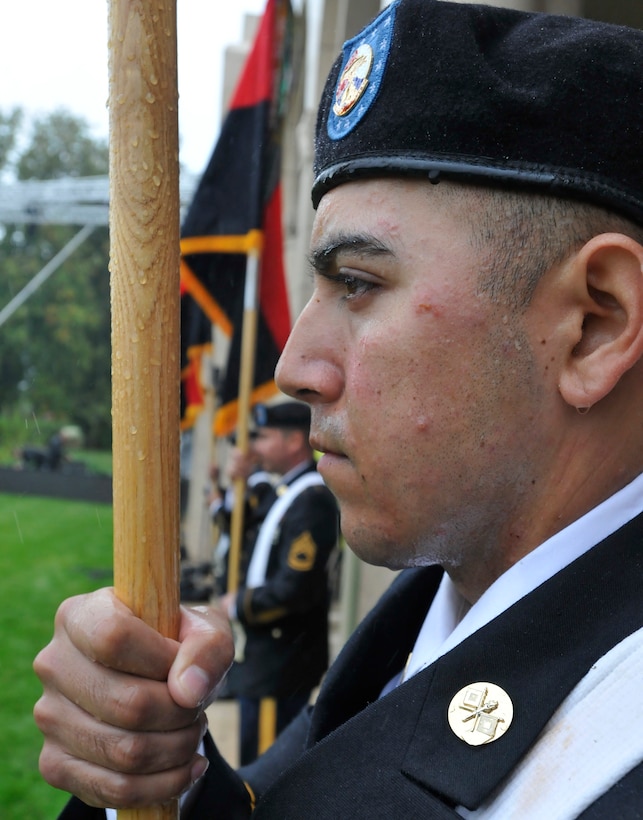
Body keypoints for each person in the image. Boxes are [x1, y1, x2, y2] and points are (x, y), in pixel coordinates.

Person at [33, 1, 643, 816]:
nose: (293, 368)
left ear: (593, 324)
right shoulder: (428, 610)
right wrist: (160, 781)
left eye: (357, 282)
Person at [210, 401, 339, 765]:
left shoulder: (312, 499)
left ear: (295, 440)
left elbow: (295, 589)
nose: (254, 446)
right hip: (267, 655)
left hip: (283, 660)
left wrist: (238, 604)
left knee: (266, 768)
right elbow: (239, 525)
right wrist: (240, 479)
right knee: (254, 754)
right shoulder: (285, 491)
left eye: (263, 438)